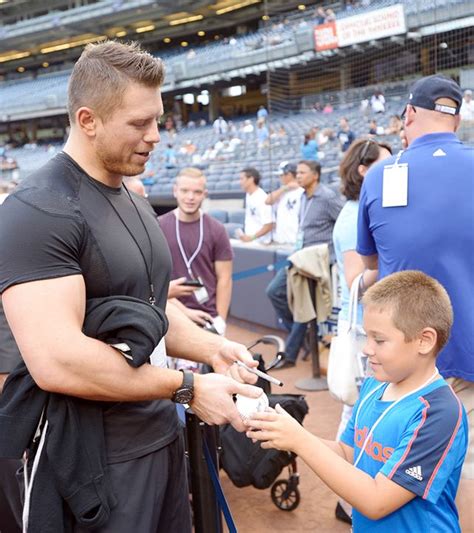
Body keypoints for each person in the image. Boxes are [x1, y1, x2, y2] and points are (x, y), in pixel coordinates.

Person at [0, 41, 262, 533]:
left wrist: (215, 348)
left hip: (160, 440)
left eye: (157, 120)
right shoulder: (38, 209)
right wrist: (186, 388)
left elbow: (152, 308)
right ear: (88, 119)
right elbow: (57, 360)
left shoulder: (135, 201)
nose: (156, 136)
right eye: (139, 124)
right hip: (91, 463)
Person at [247, 271, 468, 532]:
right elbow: (349, 453)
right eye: (367, 337)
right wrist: (285, 432)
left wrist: (300, 440)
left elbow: (376, 501)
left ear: (424, 340)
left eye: (380, 340)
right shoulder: (375, 384)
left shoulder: (439, 412)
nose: (366, 349)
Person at [357, 74, 474, 526]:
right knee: (464, 472)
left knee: (392, 474)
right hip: (467, 352)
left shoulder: (384, 173)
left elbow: (369, 263)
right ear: (457, 119)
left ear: (408, 115)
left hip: (407, 358)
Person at [332, 138, 392, 524]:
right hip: (360, 327)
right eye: (385, 164)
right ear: (363, 170)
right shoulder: (354, 214)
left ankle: (347, 497)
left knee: (358, 411)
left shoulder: (363, 209)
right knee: (355, 411)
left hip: (365, 324)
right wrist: (394, 258)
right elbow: (358, 277)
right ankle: (348, 498)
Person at [266, 160, 344, 369]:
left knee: (304, 305)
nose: (297, 176)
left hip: (317, 262)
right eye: (297, 172)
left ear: (315, 175)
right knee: (274, 292)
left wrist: (333, 254)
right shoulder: (302, 196)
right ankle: (306, 340)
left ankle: (290, 355)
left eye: (302, 172)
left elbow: (344, 222)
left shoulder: (327, 197)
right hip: (299, 258)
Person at [159, 167, 233, 335]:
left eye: (197, 192)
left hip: (208, 317)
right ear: (175, 191)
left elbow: (225, 278)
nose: (190, 197)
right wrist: (185, 313)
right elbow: (155, 282)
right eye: (185, 191)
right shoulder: (158, 226)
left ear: (204, 194)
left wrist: (220, 318)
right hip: (171, 314)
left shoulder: (217, 229)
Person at [265, 162, 302, 246]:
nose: (280, 178)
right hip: (281, 239)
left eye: (281, 175)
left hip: (295, 240)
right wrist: (285, 188)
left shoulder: (301, 191)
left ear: (289, 175)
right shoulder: (283, 191)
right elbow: (267, 201)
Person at [239, 167, 273, 244]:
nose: (240, 182)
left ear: (251, 179)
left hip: (261, 244)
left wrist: (252, 237)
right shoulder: (248, 195)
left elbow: (269, 224)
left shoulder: (262, 197)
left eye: (242, 179)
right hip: (250, 242)